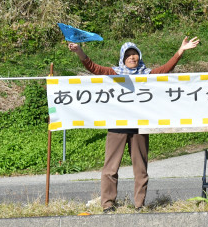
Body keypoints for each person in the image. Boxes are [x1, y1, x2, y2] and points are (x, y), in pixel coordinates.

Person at [68, 36, 200, 212]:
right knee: (110, 168)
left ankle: (139, 205)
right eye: (128, 55)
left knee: (141, 169)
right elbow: (93, 67)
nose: (132, 58)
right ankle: (108, 204)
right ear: (122, 58)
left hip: (139, 126)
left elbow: (165, 70)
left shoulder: (146, 74)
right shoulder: (114, 73)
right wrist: (79, 51)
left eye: (135, 54)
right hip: (117, 125)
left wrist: (180, 51)